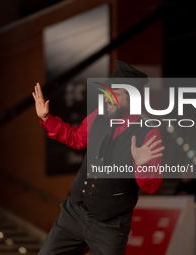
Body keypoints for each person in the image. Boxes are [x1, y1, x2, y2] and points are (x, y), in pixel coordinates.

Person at [32, 60, 164, 255]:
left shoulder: (149, 132)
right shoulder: (98, 116)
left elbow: (151, 186)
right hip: (75, 213)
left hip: (110, 225)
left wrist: (141, 164)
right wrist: (46, 118)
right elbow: (76, 138)